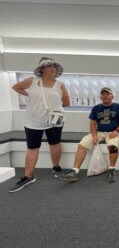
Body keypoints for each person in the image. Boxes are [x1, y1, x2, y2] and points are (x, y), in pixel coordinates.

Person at [9, 57, 70, 193]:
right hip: (33, 121)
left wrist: (54, 108)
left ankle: (56, 167)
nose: (52, 69)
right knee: (32, 148)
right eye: (49, 66)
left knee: (55, 144)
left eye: (54, 67)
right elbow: (16, 87)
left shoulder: (60, 85)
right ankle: (28, 176)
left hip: (54, 121)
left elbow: (66, 102)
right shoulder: (32, 81)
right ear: (42, 69)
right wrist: (28, 95)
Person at [60, 87, 119, 183]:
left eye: (107, 94)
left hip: (113, 132)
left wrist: (117, 130)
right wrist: (94, 135)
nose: (105, 96)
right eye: (103, 94)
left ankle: (112, 169)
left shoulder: (118, 107)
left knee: (112, 147)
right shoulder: (96, 108)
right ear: (100, 96)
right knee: (82, 145)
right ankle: (75, 171)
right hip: (99, 132)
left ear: (112, 96)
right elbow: (92, 123)